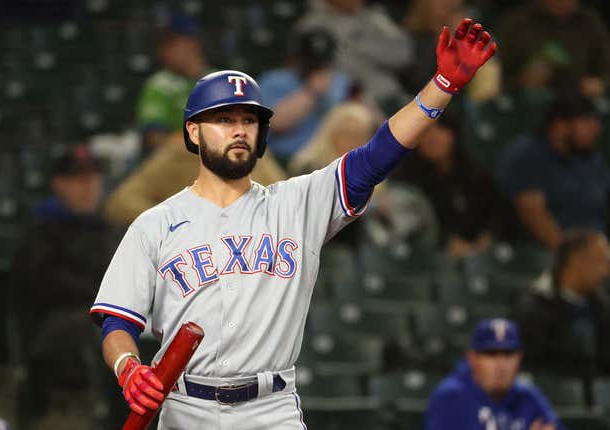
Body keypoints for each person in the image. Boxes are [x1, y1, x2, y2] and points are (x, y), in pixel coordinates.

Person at [89, 18, 496, 428]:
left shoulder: (297, 203)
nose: (239, 130)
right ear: (193, 132)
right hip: (186, 409)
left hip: (271, 409)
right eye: (224, 119)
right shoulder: (154, 224)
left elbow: (377, 154)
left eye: (248, 121)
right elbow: (118, 320)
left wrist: (441, 86)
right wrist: (128, 367)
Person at [12, 145, 119, 428]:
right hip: (57, 331)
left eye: (93, 178)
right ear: (58, 184)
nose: (88, 187)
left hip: (101, 317)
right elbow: (42, 287)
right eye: (78, 180)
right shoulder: (41, 229)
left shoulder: (106, 228)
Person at [497, 91, 610, 249]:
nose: (597, 128)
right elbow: (533, 215)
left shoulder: (592, 159)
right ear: (561, 124)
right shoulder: (527, 154)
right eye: (587, 120)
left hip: (598, 252)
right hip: (542, 258)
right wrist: (575, 260)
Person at [103, 135, 287, 227]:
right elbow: (120, 203)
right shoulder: (178, 154)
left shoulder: (253, 153)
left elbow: (286, 204)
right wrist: (179, 222)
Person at [392, 110, 502, 257]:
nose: (432, 138)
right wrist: (447, 244)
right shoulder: (404, 180)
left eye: (439, 130)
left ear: (453, 133)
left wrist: (486, 238)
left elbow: (495, 213)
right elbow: (411, 229)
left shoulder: (475, 173)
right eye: (424, 132)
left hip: (480, 256)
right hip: (428, 259)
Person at [424, 318, 564, 430]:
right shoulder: (449, 397)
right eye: (490, 354)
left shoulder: (528, 396)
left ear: (519, 358)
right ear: (472, 359)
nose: (501, 364)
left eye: (508, 354)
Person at [514, 230, 610, 377]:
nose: (606, 271)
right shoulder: (534, 306)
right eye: (601, 261)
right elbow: (530, 365)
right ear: (576, 260)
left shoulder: (602, 308)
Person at [258, 28, 351, 166]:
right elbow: (274, 123)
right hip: (284, 160)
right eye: (311, 60)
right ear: (296, 58)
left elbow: (365, 122)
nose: (318, 65)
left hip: (332, 161)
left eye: (323, 60)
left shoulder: (342, 83)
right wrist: (311, 92)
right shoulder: (274, 81)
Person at [297, 0, 413, 105]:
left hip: (383, 93)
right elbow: (305, 67)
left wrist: (360, 47)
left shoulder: (376, 19)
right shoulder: (311, 24)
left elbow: (404, 55)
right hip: (335, 97)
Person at [497, 0, 610, 97]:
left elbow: (604, 69)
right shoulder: (517, 24)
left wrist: (599, 83)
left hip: (580, 104)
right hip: (528, 103)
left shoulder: (591, 23)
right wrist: (521, 81)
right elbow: (498, 76)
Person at [136, 15, 210, 154]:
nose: (164, 52)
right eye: (163, 46)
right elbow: (154, 138)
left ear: (193, 44)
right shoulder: (159, 84)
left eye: (172, 44)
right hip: (177, 159)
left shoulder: (220, 80)